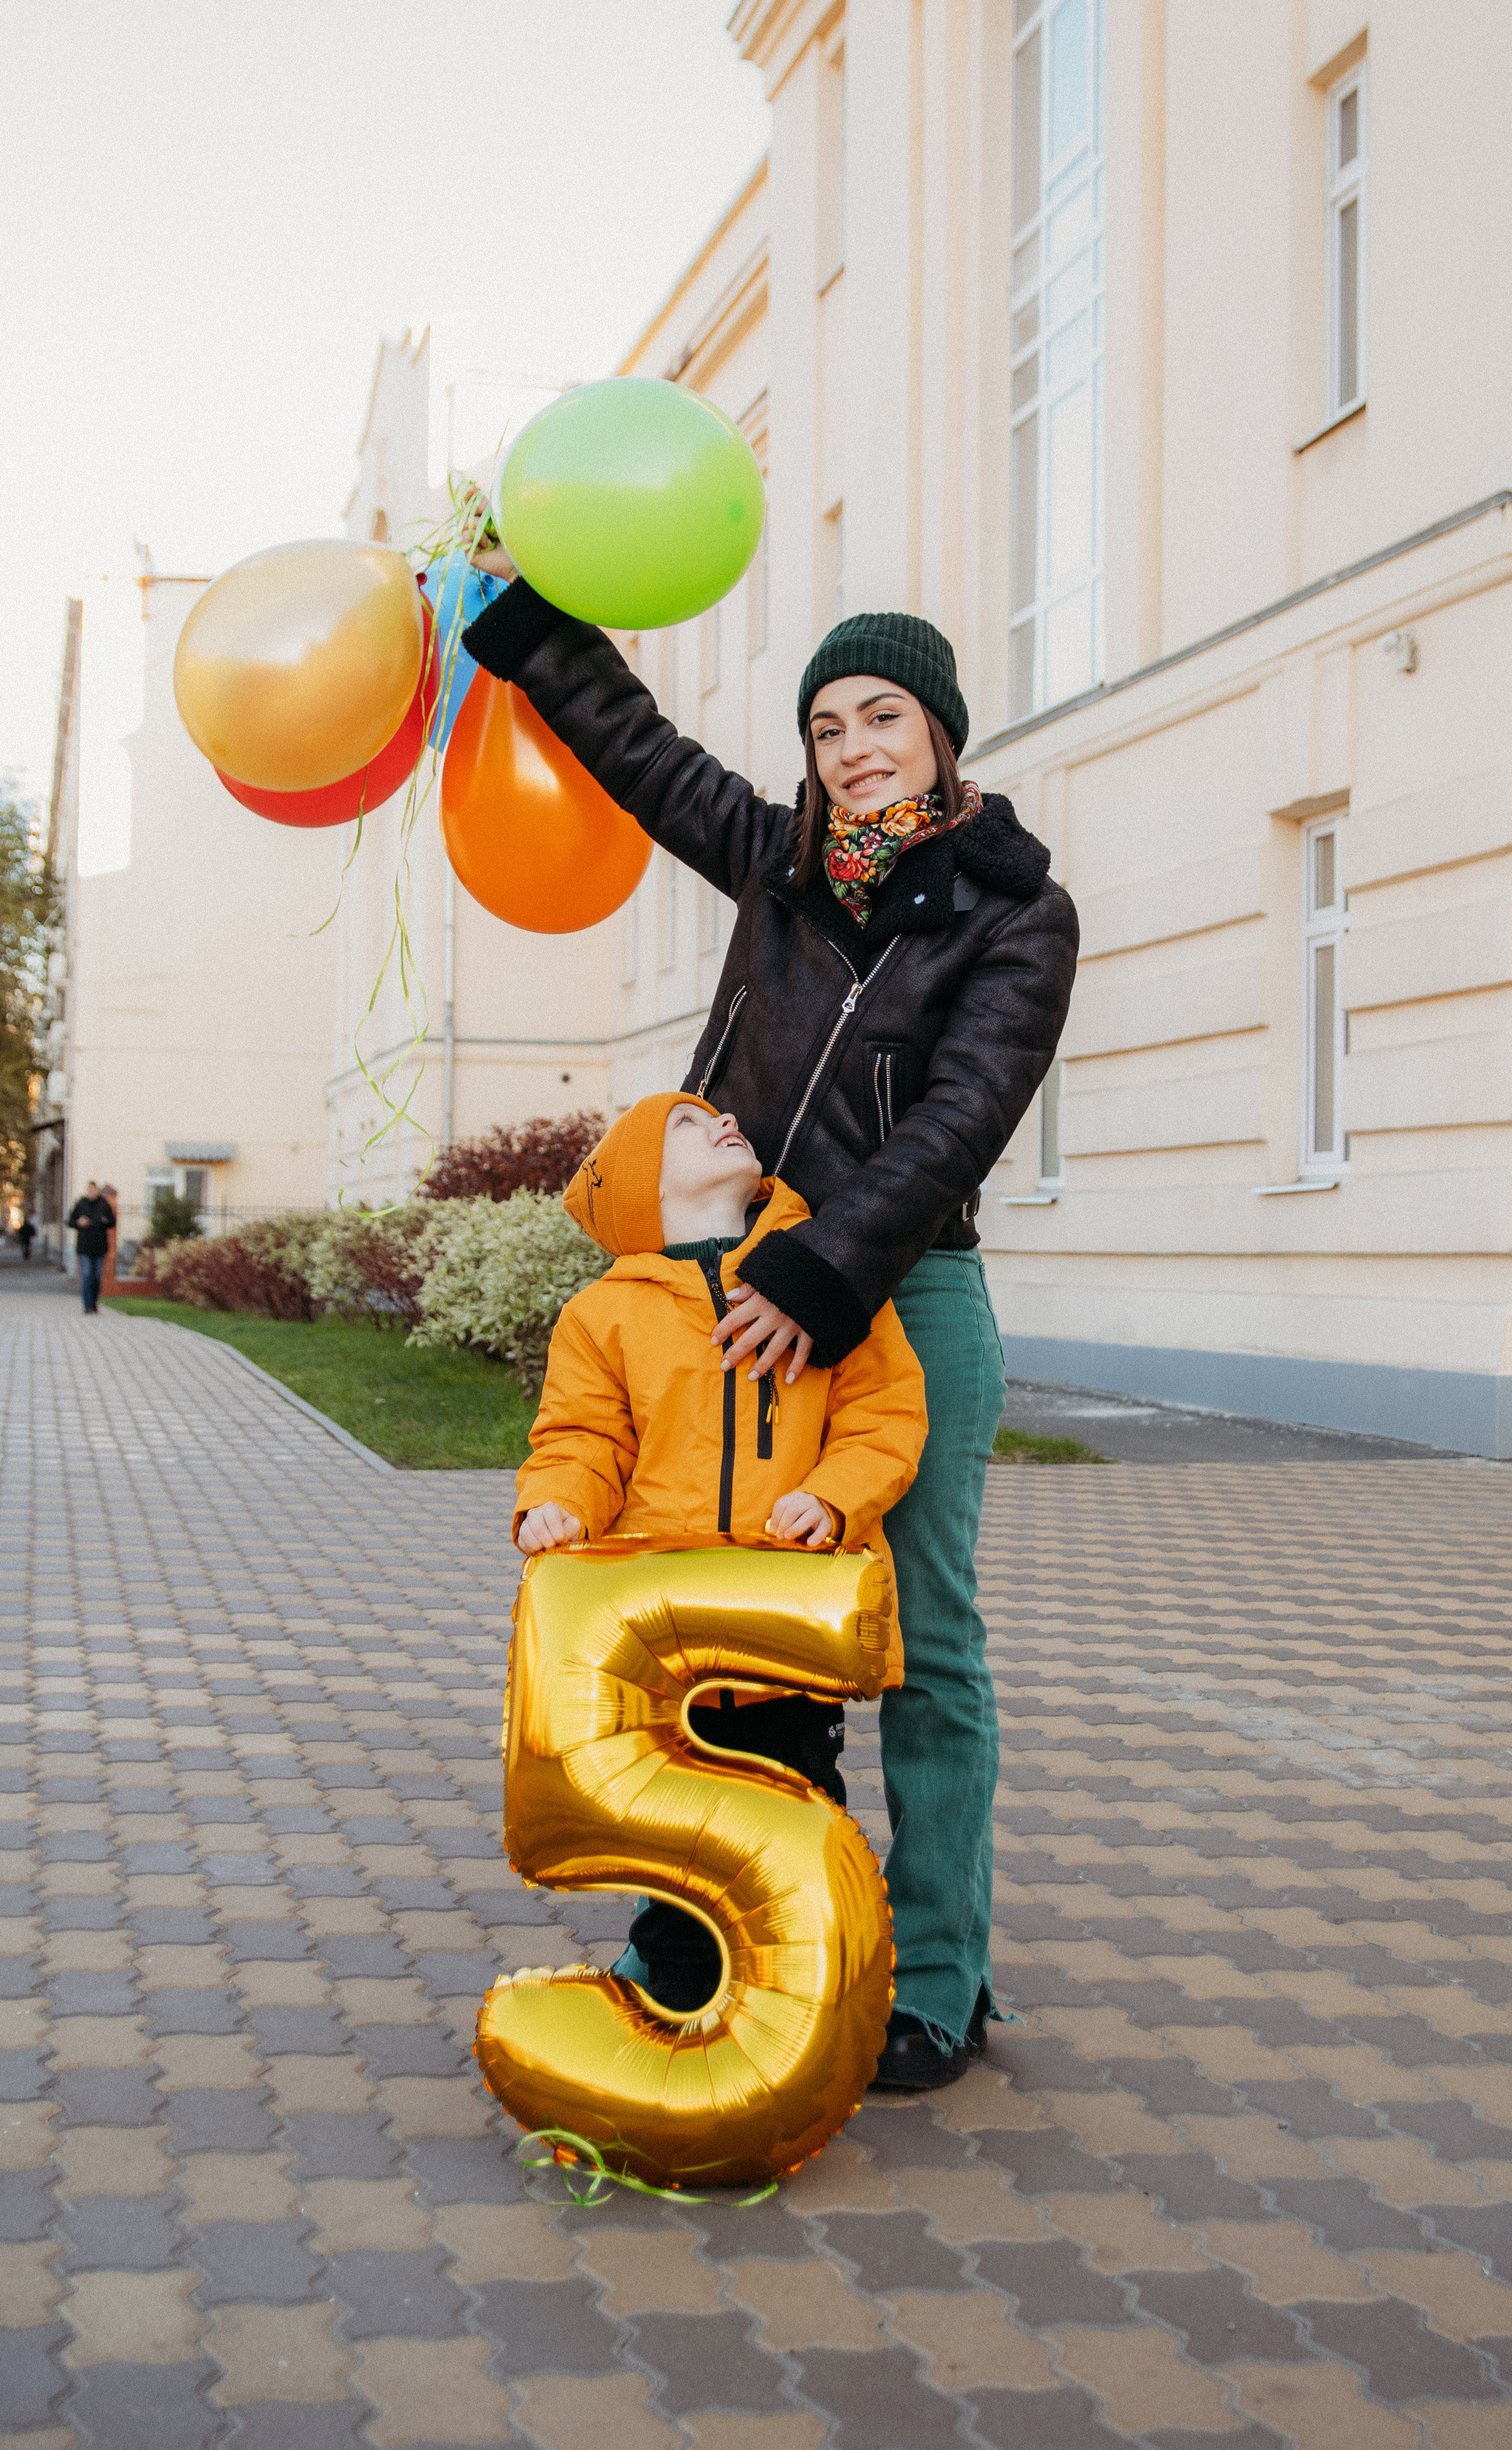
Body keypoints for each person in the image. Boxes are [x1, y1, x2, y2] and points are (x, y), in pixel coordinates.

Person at [465, 562, 1078, 2088]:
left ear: (940, 734)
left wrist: (830, 1273)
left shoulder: (1020, 913)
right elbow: (637, 744)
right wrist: (522, 622)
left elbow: (962, 1117)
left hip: (902, 1289)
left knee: (921, 1641)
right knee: (706, 1616)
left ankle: (939, 1972)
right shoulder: (776, 862)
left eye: (882, 715)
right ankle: (706, 1925)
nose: (853, 744)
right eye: (825, 724)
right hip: (726, 1285)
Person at [516, 1089, 927, 2016]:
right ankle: (682, 2008)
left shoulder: (826, 1278)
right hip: (666, 1650)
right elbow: (581, 1439)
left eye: (720, 1117)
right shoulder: (601, 1316)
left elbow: (884, 1413)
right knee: (682, 1841)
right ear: (640, 1191)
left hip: (785, 1636)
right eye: (689, 1130)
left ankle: (794, 1999)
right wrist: (554, 1505)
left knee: (797, 1815)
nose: (726, 1123)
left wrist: (831, 1498)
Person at [66, 1180, 115, 1314]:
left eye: (94, 1190)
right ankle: (87, 1306)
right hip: (84, 1247)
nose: (92, 1192)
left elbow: (112, 1222)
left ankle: (94, 1304)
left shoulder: (104, 1204)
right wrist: (78, 1222)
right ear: (87, 1191)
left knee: (97, 1277)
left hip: (99, 1247)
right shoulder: (81, 1204)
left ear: (97, 1190)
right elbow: (70, 1222)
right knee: (87, 1275)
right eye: (90, 1190)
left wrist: (103, 1221)